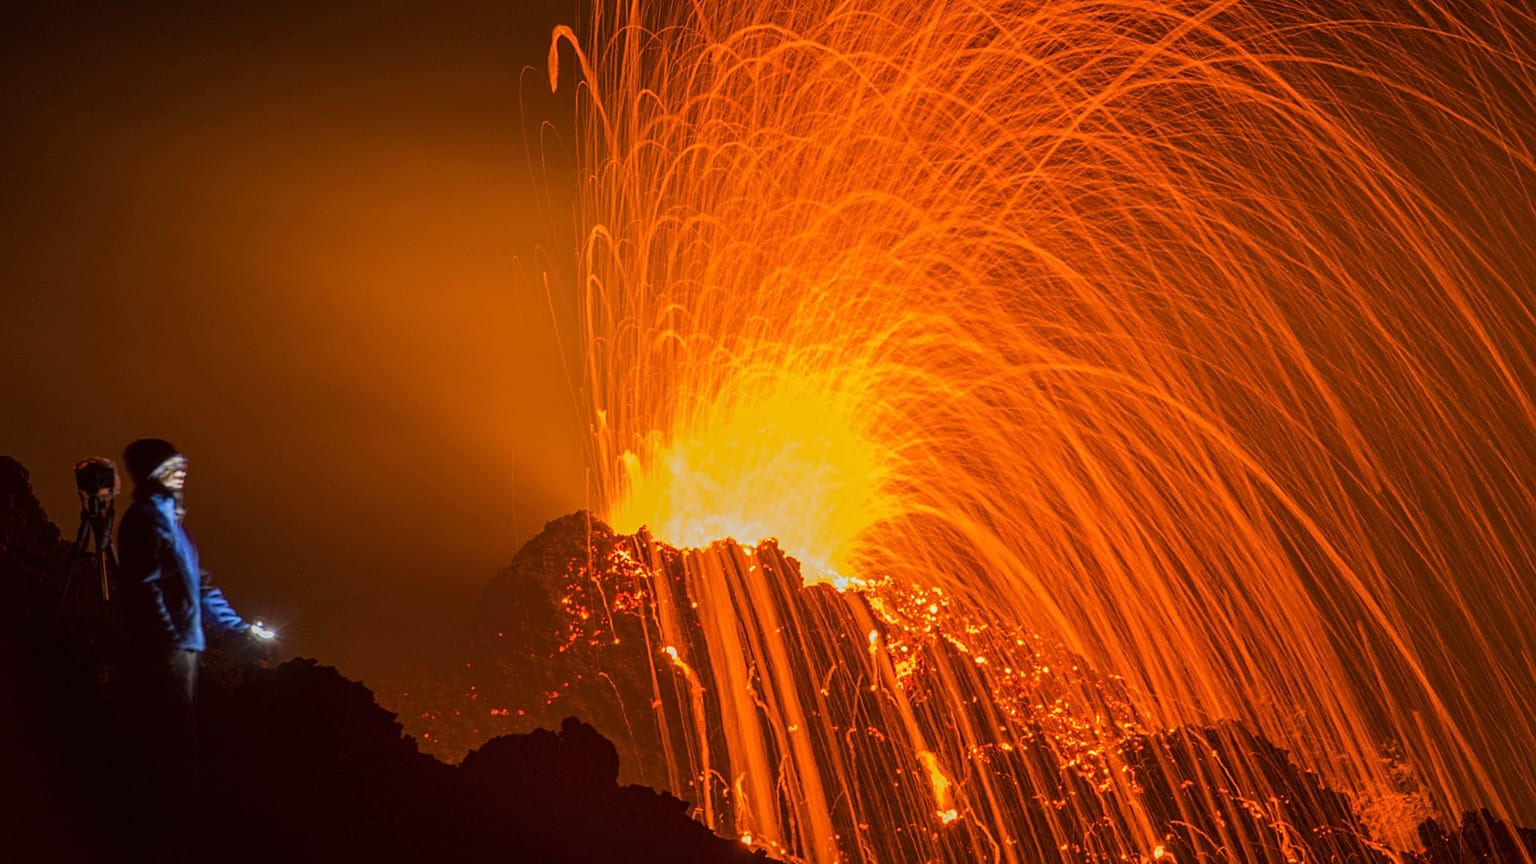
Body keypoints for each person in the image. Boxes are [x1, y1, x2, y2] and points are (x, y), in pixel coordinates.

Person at [114, 437, 271, 859]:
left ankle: (173, 824)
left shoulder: (169, 523)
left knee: (179, 736)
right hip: (165, 650)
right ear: (152, 471)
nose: (182, 472)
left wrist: (238, 630)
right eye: (172, 465)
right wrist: (167, 637)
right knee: (168, 738)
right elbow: (142, 589)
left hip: (180, 648)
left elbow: (201, 589)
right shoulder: (145, 521)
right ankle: (162, 832)